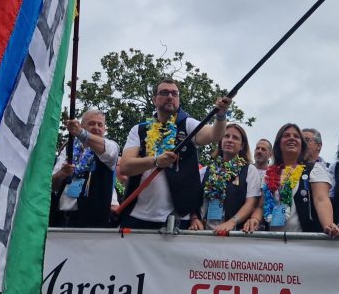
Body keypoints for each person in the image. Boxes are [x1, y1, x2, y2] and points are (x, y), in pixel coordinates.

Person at [118, 80, 230, 230]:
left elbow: (213, 135)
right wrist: (156, 161)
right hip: (138, 216)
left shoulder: (187, 124)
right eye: (164, 93)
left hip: (178, 217)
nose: (170, 96)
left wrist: (221, 116)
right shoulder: (139, 130)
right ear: (154, 99)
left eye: (174, 93)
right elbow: (125, 167)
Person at [248, 124, 339, 236]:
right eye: (286, 135)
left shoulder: (313, 169)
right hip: (273, 244)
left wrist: (328, 225)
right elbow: (261, 206)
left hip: (304, 243)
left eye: (296, 136)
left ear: (302, 145)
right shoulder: (269, 174)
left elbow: (321, 199)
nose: (291, 138)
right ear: (278, 143)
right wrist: (254, 219)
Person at [51, 108, 120, 228]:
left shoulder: (110, 147)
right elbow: (53, 185)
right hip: (62, 220)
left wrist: (81, 133)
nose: (96, 128)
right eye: (91, 123)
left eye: (100, 125)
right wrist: (62, 173)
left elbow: (108, 151)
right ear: (82, 125)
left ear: (105, 129)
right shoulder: (68, 149)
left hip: (92, 226)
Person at [191, 123, 261, 234]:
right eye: (226, 136)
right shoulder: (205, 171)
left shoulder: (249, 170)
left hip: (234, 234)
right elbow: (193, 200)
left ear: (242, 145)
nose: (230, 140)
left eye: (235, 138)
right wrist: (194, 219)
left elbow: (251, 203)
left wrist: (232, 222)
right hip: (204, 234)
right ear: (220, 141)